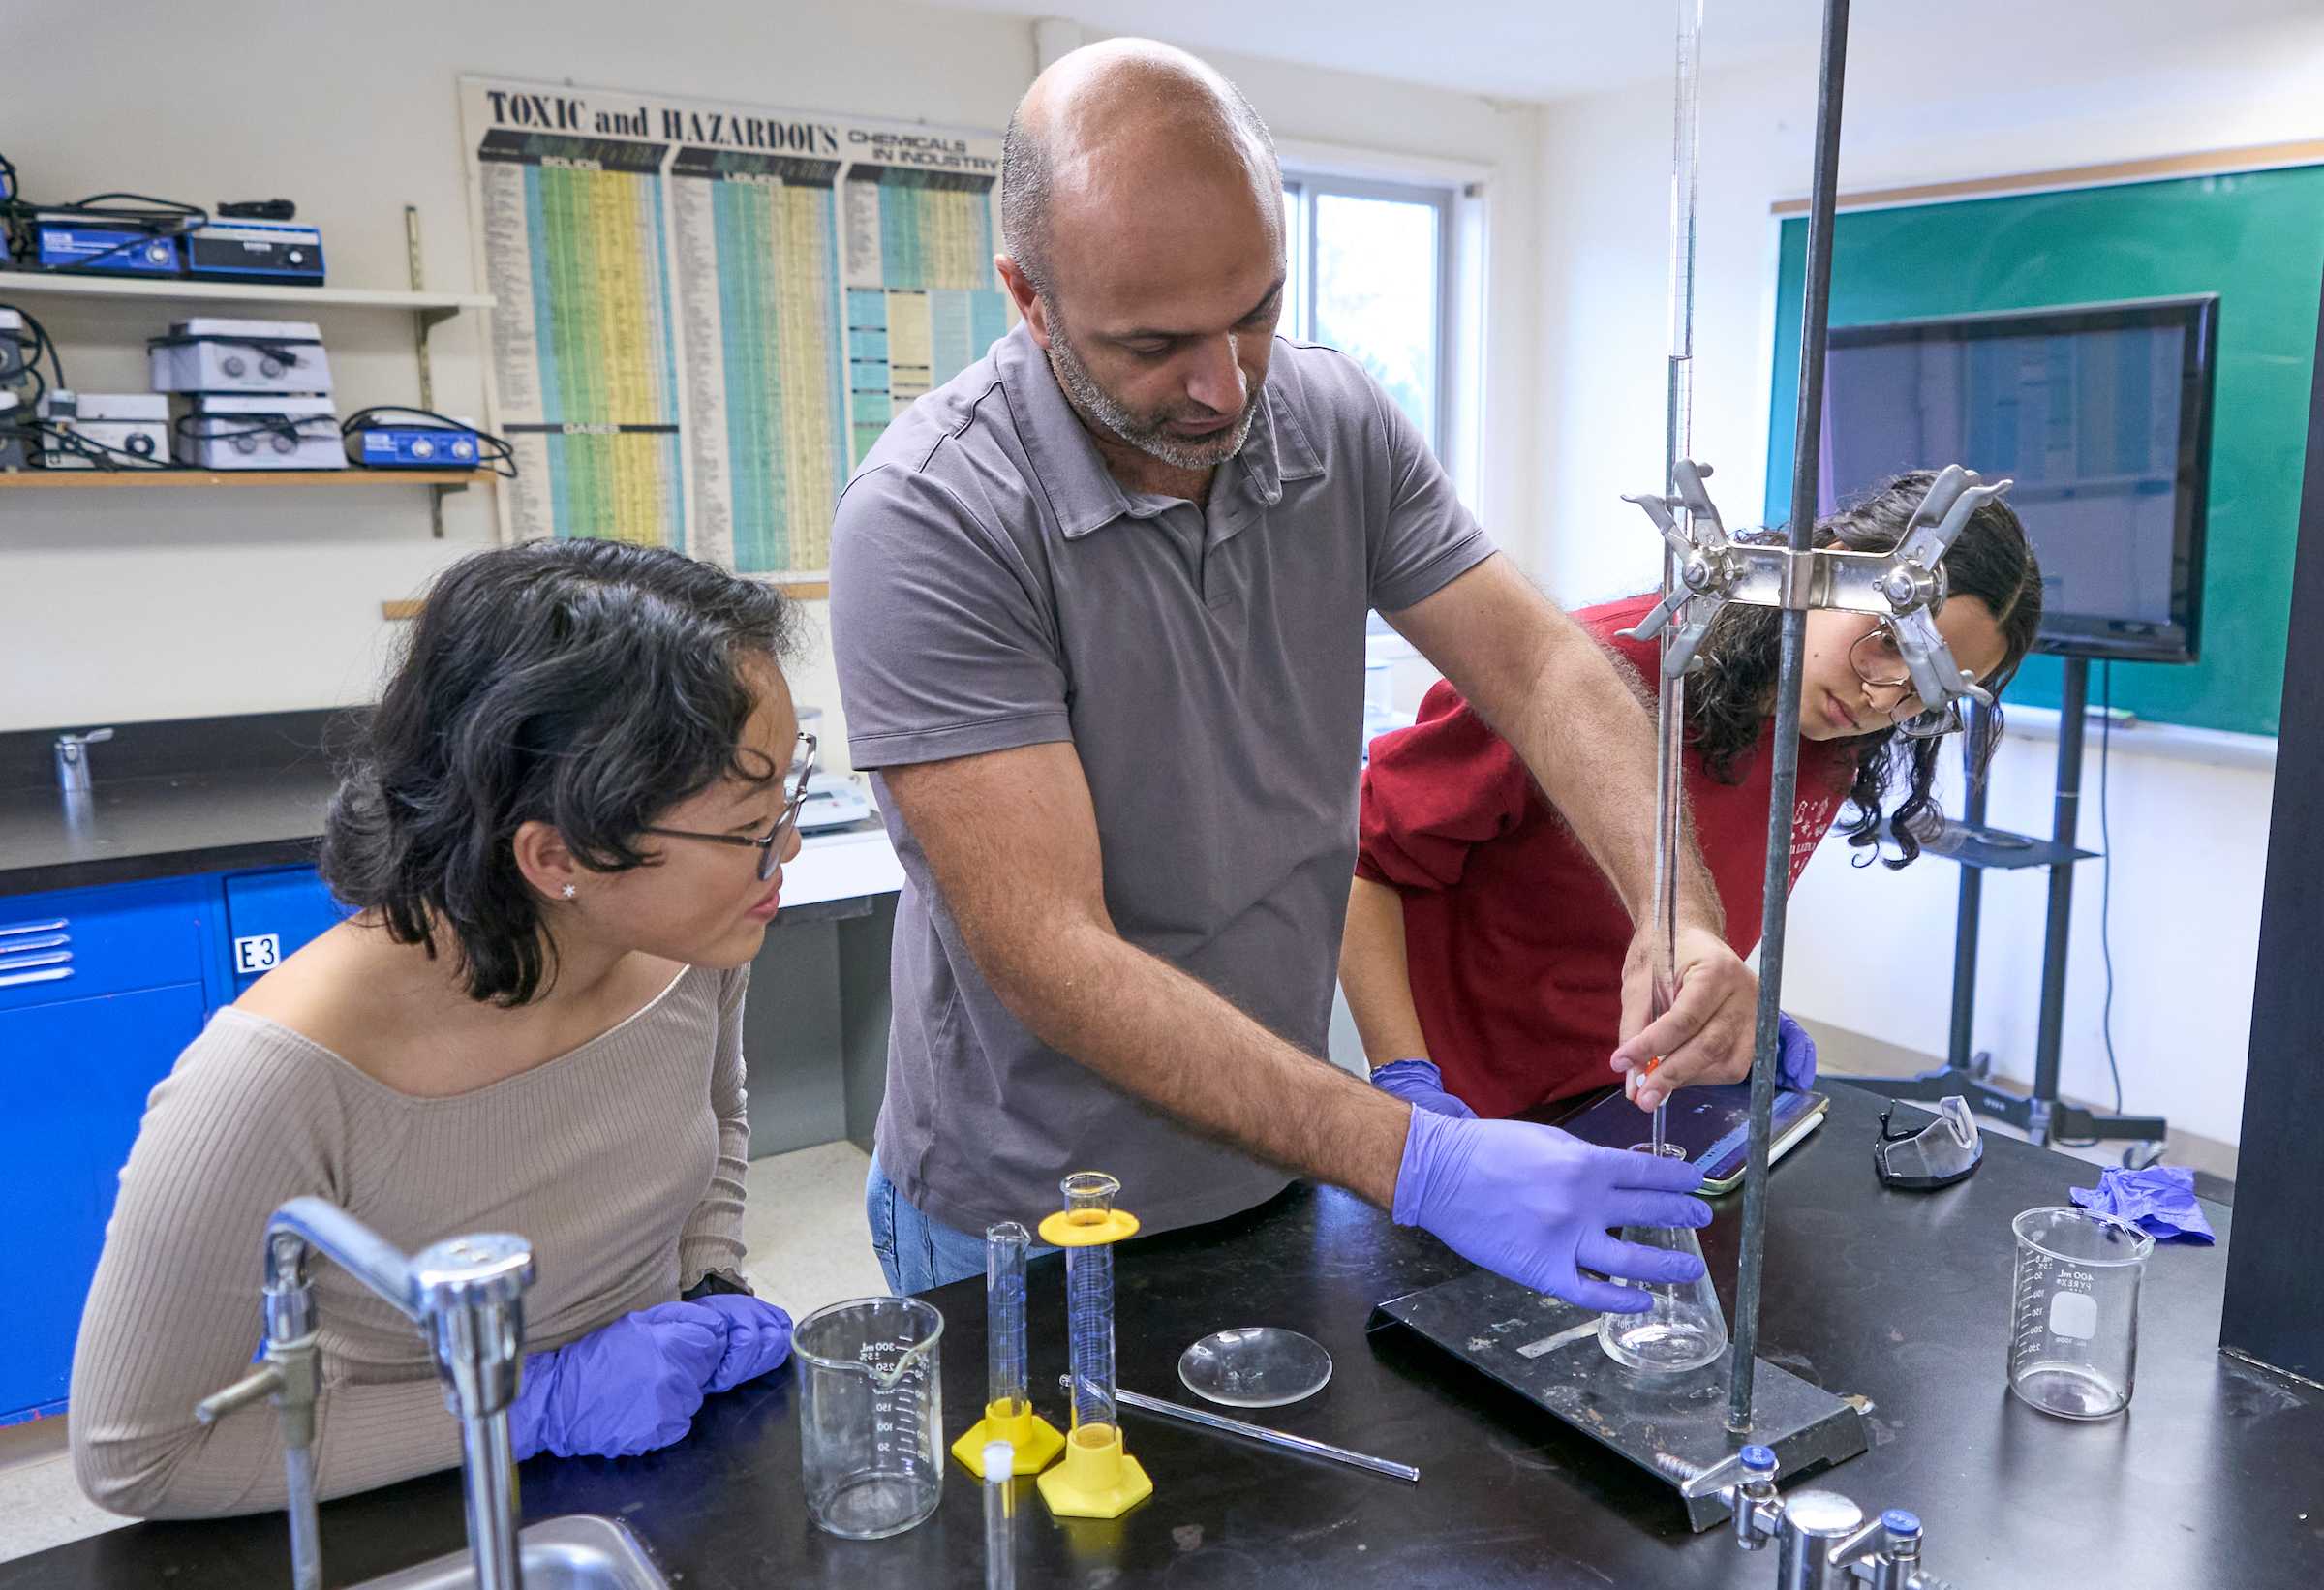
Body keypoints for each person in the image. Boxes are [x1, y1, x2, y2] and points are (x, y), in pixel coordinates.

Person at [829, 38, 1757, 1308]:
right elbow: (1051, 950)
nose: (1223, 386)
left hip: (1279, 1152)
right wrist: (1421, 1160)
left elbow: (1540, 662)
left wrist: (1676, 907)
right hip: (1037, 1214)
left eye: (1256, 311)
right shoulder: (932, 517)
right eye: (1155, 344)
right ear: (1029, 299)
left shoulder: (1333, 420)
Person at [72, 539, 808, 1518]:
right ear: (557, 855)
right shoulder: (272, 1078)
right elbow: (139, 1457)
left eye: (786, 799)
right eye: (748, 827)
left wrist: (709, 1280)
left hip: (651, 1452)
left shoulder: (689, 951)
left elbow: (717, 1119)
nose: (786, 849)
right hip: (412, 1497)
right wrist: (531, 1404)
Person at [1343, 473, 2043, 1121]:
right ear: (1833, 565)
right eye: (1892, 641)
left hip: (1630, 1097)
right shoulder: (1591, 679)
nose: (1882, 697)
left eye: (1929, 687)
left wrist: (1732, 1015)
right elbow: (1360, 865)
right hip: (1481, 1112)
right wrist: (1405, 1078)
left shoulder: (1829, 732)